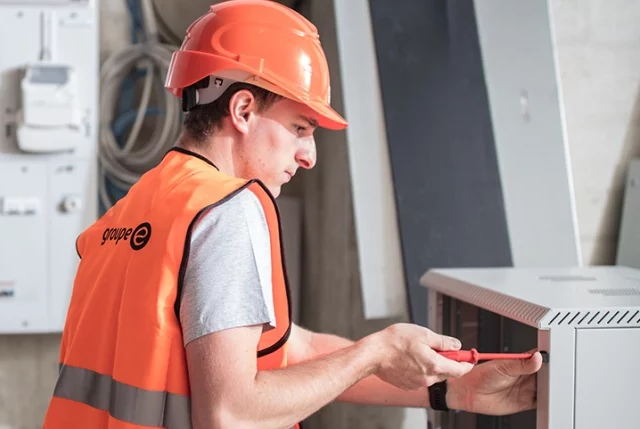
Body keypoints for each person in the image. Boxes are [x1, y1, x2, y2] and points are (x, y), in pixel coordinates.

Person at [42, 1, 543, 428]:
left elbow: (286, 351)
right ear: (242, 110)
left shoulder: (129, 213)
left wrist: (453, 392)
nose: (309, 155)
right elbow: (231, 412)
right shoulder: (226, 210)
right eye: (301, 127)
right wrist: (374, 351)